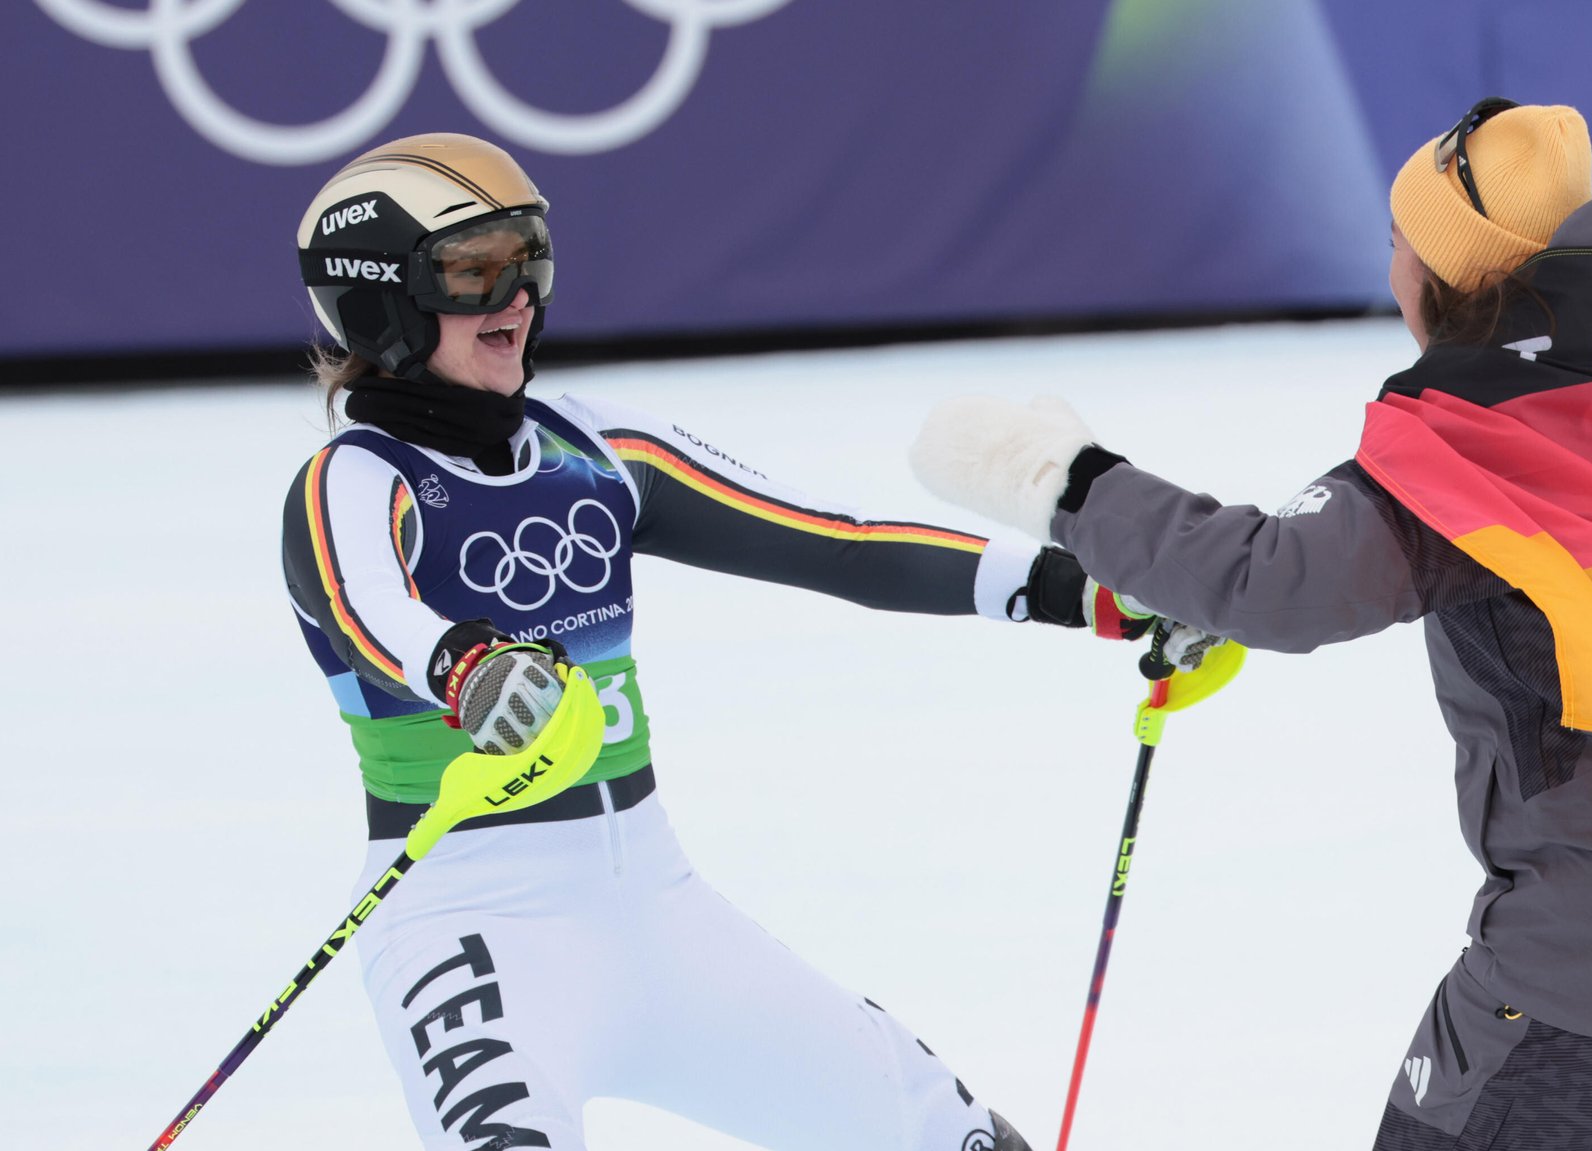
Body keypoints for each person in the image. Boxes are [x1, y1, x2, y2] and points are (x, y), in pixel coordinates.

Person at [911, 100, 1592, 1149]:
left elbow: (1273, 580)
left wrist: (1063, 479)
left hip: (1585, 975)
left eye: (1399, 242)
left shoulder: (1483, 445)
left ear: (1442, 274)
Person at [284, 132, 1140, 1151]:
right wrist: (466, 668)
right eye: (473, 271)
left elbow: (840, 541)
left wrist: (1082, 591)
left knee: (944, 1134)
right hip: (468, 925)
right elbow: (361, 602)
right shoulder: (352, 479)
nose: (516, 298)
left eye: (528, 260)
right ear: (380, 301)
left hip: (656, 911)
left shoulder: (594, 449)